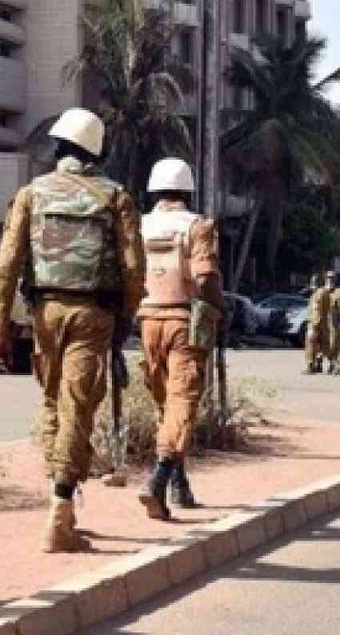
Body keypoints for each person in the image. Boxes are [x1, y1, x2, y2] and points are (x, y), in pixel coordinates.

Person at [0, 108, 146, 552]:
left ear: (58, 147)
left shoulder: (31, 194)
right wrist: (125, 319)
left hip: (45, 312)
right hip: (94, 315)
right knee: (78, 406)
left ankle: (60, 498)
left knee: (53, 401)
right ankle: (60, 509)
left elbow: (5, 267)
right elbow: (134, 270)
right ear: (96, 150)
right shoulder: (115, 197)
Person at [135, 158, 224, 518]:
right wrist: (220, 309)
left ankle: (179, 484)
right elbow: (205, 278)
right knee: (182, 401)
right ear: (188, 190)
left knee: (165, 404)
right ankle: (159, 479)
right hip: (184, 322)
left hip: (148, 320)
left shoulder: (140, 225)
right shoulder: (198, 226)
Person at [303, 273, 335, 374]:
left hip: (316, 322)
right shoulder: (324, 293)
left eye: (313, 283)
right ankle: (329, 364)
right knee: (323, 345)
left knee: (310, 344)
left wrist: (314, 325)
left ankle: (311, 366)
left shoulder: (318, 294)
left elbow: (316, 310)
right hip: (324, 323)